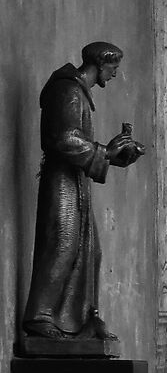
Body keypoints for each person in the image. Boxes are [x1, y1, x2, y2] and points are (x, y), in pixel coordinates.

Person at [18, 41, 144, 354]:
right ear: (100, 64)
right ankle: (39, 317)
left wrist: (115, 155)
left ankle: (82, 319)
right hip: (62, 180)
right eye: (113, 68)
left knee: (90, 250)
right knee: (62, 244)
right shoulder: (68, 90)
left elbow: (78, 142)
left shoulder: (79, 93)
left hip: (74, 180)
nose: (115, 75)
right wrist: (104, 152)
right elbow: (64, 139)